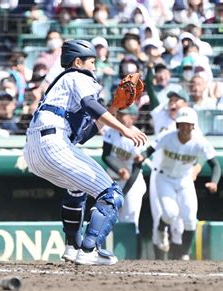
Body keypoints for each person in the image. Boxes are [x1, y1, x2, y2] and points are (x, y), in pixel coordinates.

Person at [23, 40, 147, 266]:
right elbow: (90, 105)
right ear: (77, 62)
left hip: (35, 151)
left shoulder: (62, 88)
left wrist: (114, 108)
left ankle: (73, 246)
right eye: (92, 61)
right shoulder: (78, 76)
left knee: (77, 188)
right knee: (112, 195)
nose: (96, 67)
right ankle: (90, 249)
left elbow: (82, 135)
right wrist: (124, 129)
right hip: (52, 143)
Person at [140, 107, 220, 260]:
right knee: (170, 213)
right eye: (181, 124)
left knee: (190, 218)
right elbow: (149, 150)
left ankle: (184, 254)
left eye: (188, 124)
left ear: (193, 126)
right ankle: (161, 228)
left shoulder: (200, 142)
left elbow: (215, 165)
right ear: (177, 125)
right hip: (164, 178)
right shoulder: (167, 136)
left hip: (185, 179)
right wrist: (141, 157)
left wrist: (214, 182)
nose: (184, 127)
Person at [101, 106, 147, 256]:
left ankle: (135, 257)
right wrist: (117, 169)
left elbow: (137, 167)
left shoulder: (138, 136)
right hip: (114, 180)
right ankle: (113, 254)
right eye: (119, 114)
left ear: (133, 117)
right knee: (113, 219)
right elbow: (105, 155)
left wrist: (125, 191)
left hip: (132, 183)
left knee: (131, 219)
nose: (120, 117)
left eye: (124, 115)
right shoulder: (111, 132)